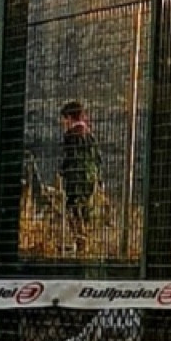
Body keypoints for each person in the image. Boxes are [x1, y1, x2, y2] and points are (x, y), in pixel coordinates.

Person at [58, 101, 103, 254]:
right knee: (84, 210)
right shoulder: (90, 136)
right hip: (90, 178)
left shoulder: (71, 136)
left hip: (76, 178)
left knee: (73, 210)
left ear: (69, 118)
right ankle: (83, 243)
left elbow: (69, 158)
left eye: (64, 119)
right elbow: (98, 159)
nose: (63, 123)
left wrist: (62, 171)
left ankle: (80, 243)